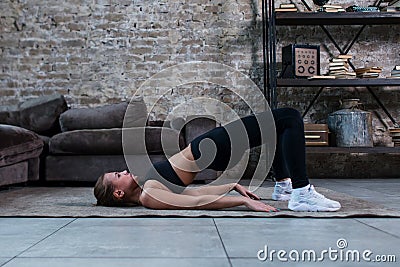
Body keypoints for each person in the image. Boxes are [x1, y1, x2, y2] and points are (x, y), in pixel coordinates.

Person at [94, 108, 341, 212]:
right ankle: (301, 192)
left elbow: (193, 194)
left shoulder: (148, 189)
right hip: (209, 149)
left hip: (207, 149)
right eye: (118, 176)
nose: (124, 171)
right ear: (118, 194)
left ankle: (285, 186)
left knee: (278, 126)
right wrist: (243, 203)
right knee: (289, 118)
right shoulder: (149, 196)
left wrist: (232, 186)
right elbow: (196, 202)